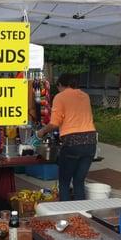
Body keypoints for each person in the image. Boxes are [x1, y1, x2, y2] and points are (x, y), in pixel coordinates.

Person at [37, 73, 97, 201]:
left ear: (60, 85)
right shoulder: (85, 96)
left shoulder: (60, 97)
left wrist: (41, 132)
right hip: (91, 142)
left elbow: (54, 123)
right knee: (79, 181)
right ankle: (81, 215)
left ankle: (65, 215)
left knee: (64, 183)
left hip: (72, 143)